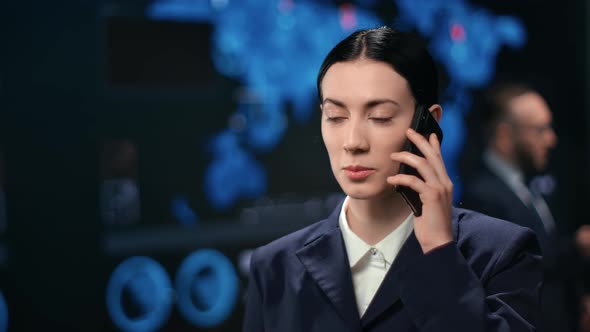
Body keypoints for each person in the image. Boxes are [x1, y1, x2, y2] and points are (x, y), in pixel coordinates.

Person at [243, 27, 542, 332]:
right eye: (335, 116)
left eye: (381, 117)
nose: (353, 141)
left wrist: (439, 251)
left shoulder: (501, 252)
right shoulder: (275, 267)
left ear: (429, 124)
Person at [461, 82, 590, 332]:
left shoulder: (527, 186)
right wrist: (576, 246)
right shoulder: (482, 195)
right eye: (539, 130)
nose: (551, 140)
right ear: (505, 135)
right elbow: (519, 266)